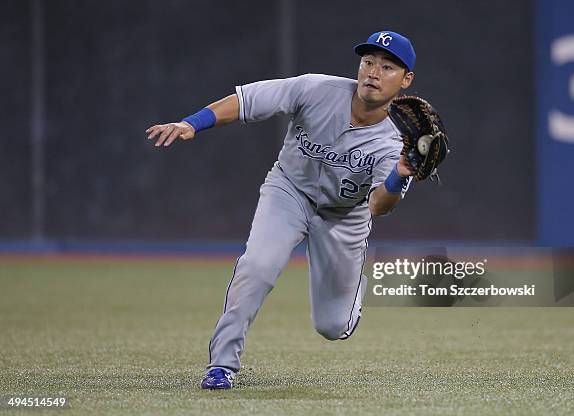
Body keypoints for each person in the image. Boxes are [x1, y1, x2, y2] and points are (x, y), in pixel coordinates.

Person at [146, 30, 417, 389]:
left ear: (406, 79)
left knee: (332, 327)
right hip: (289, 191)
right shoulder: (317, 89)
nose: (373, 72)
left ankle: (350, 295)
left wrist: (399, 175)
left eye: (387, 67)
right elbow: (247, 101)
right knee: (257, 266)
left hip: (346, 215)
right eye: (368, 62)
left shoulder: (397, 139)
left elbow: (379, 206)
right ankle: (222, 365)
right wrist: (192, 123)